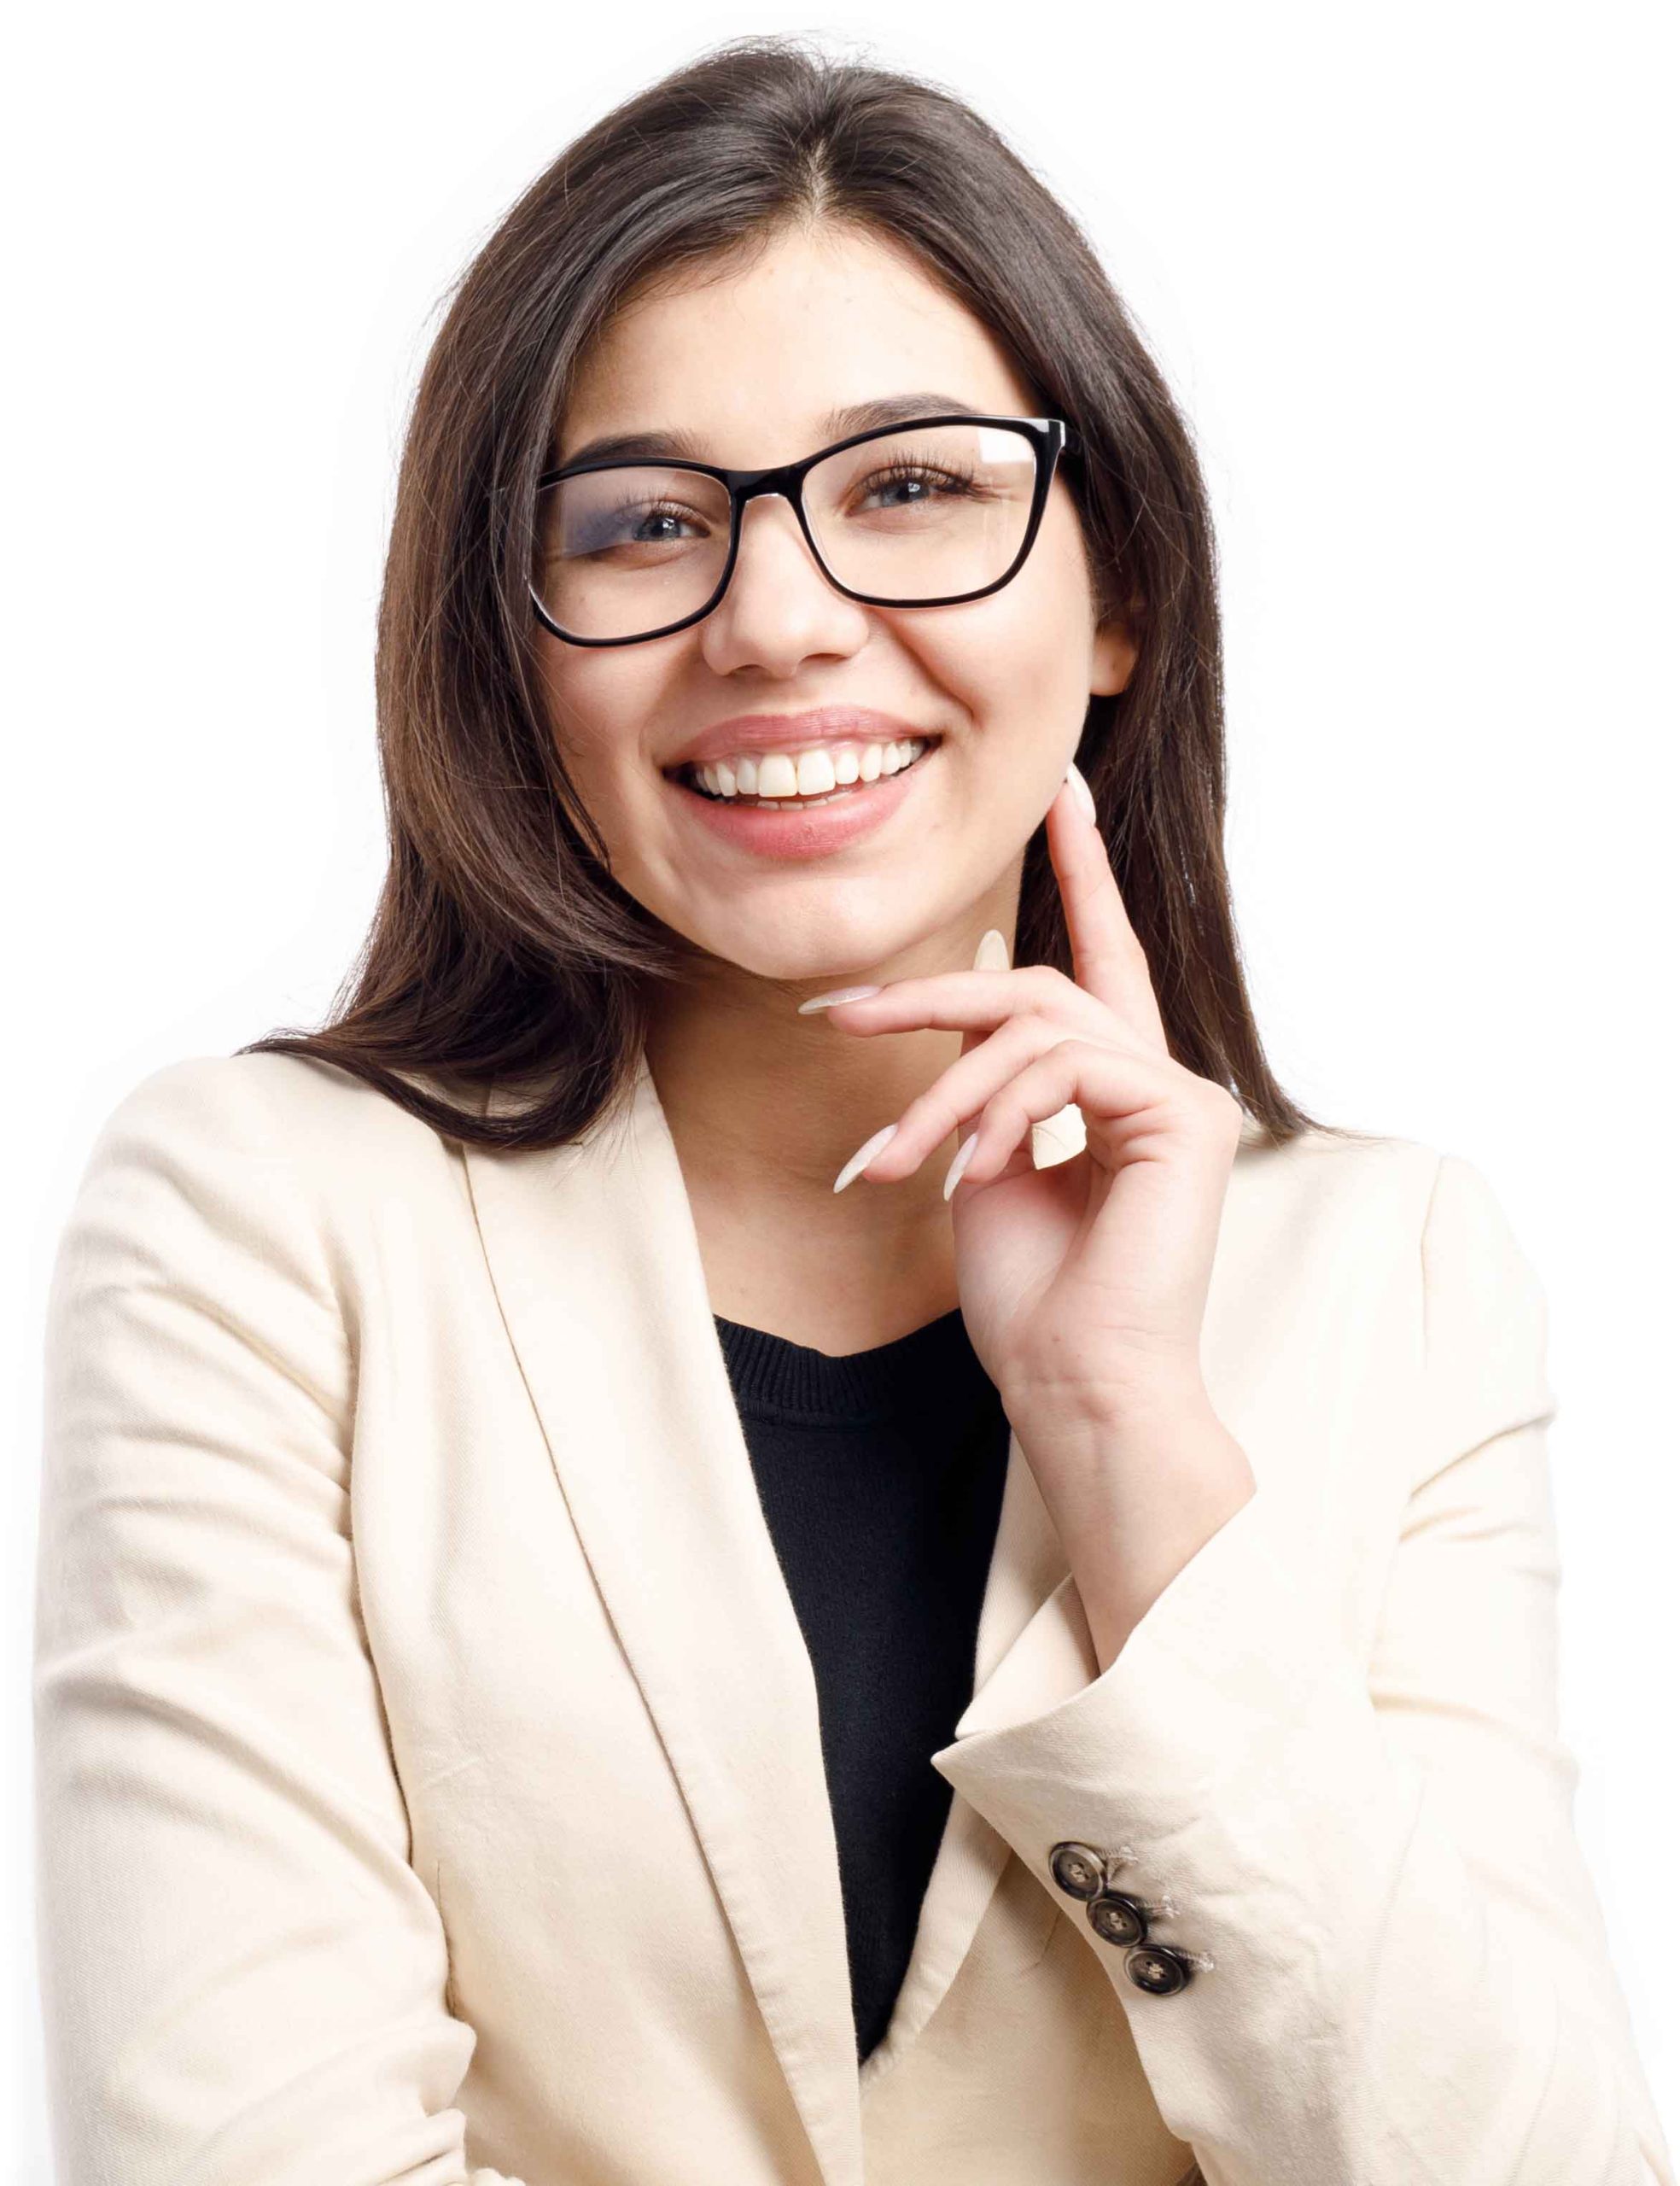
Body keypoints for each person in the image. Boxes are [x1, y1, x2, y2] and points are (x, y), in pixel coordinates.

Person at [32, 34, 1674, 2186]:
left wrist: (1127, 1445)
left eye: (911, 485)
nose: (781, 618)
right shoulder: (269, 1222)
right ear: (510, 651)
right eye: (642, 524)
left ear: (1122, 595)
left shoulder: (1399, 1270)